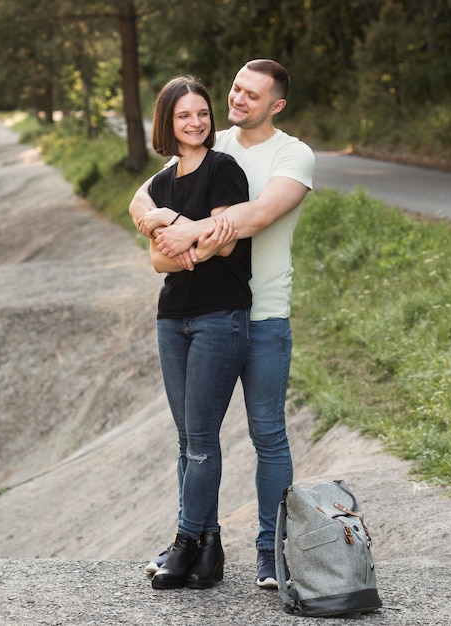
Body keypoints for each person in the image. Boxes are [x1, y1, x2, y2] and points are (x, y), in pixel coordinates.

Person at [131, 59, 315, 589]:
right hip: (206, 306)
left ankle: (269, 550)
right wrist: (158, 219)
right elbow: (145, 195)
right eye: (235, 88)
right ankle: (199, 541)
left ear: (276, 105)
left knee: (267, 435)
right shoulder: (214, 141)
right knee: (194, 436)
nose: (238, 99)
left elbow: (252, 219)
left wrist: (182, 230)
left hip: (263, 315)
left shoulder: (292, 154)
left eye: (252, 95)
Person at [139, 75, 252, 591]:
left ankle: (186, 541)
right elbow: (157, 257)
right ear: (169, 121)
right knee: (187, 439)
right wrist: (185, 232)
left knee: (202, 439)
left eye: (203, 113)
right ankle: (207, 552)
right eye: (184, 115)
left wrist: (181, 230)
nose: (196, 122)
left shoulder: (225, 169)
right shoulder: (161, 184)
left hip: (219, 316)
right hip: (172, 319)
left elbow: (226, 243)